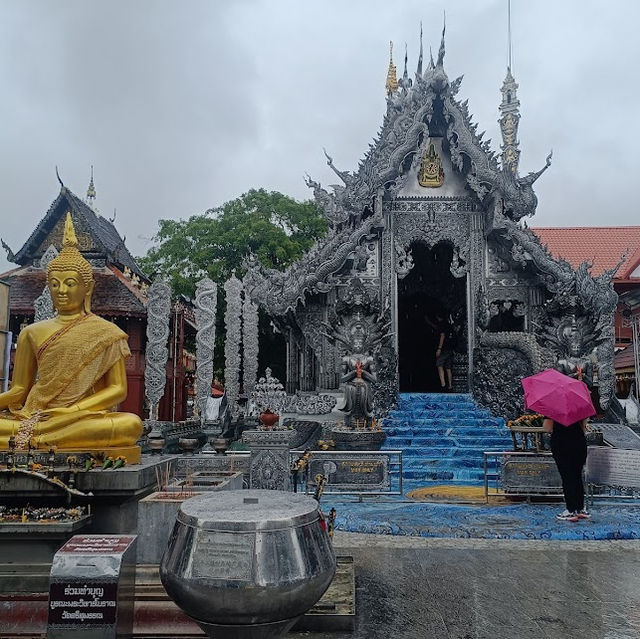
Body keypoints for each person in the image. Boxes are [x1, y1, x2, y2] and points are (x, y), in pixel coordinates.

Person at [0, 214, 142, 459]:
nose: (62, 291)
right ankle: (39, 437)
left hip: (80, 417)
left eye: (70, 283)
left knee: (130, 425)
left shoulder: (106, 332)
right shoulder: (31, 332)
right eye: (55, 284)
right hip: (36, 415)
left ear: (88, 288)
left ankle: (37, 439)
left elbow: (118, 389)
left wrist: (71, 412)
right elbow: (19, 389)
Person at [543, 416, 590, 521]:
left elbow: (547, 427)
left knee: (567, 476)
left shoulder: (554, 410)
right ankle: (580, 508)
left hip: (561, 443)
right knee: (577, 475)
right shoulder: (579, 409)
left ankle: (571, 510)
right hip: (579, 443)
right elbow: (583, 427)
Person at [435, 313, 454, 392]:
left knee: (439, 364)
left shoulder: (441, 325)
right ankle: (450, 386)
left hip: (444, 348)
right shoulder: (448, 325)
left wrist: (439, 348)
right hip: (450, 348)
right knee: (448, 367)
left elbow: (442, 335)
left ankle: (443, 385)